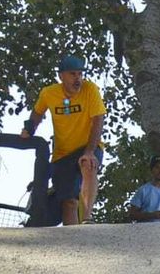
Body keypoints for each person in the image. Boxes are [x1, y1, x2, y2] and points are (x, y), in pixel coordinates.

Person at [20, 54, 106, 226]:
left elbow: (98, 119)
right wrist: (29, 130)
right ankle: (71, 241)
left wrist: (90, 151)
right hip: (62, 154)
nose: (78, 79)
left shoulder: (90, 89)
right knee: (68, 201)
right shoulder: (49, 93)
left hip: (87, 145)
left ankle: (88, 217)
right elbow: (37, 113)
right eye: (73, 74)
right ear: (61, 76)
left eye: (80, 74)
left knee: (88, 164)